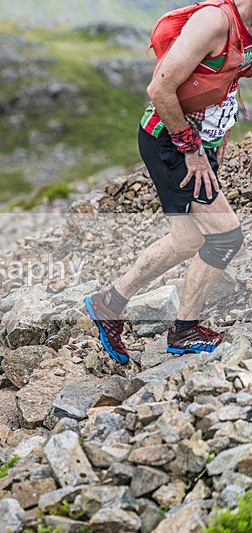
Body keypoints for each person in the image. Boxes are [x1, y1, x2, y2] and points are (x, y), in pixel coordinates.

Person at [85, 0, 252, 363]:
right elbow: (159, 90)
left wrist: (218, 137)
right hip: (170, 139)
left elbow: (227, 79)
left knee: (188, 238)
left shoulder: (247, 31)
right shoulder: (214, 22)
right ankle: (185, 330)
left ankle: (108, 303)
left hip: (198, 142)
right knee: (225, 237)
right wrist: (192, 151)